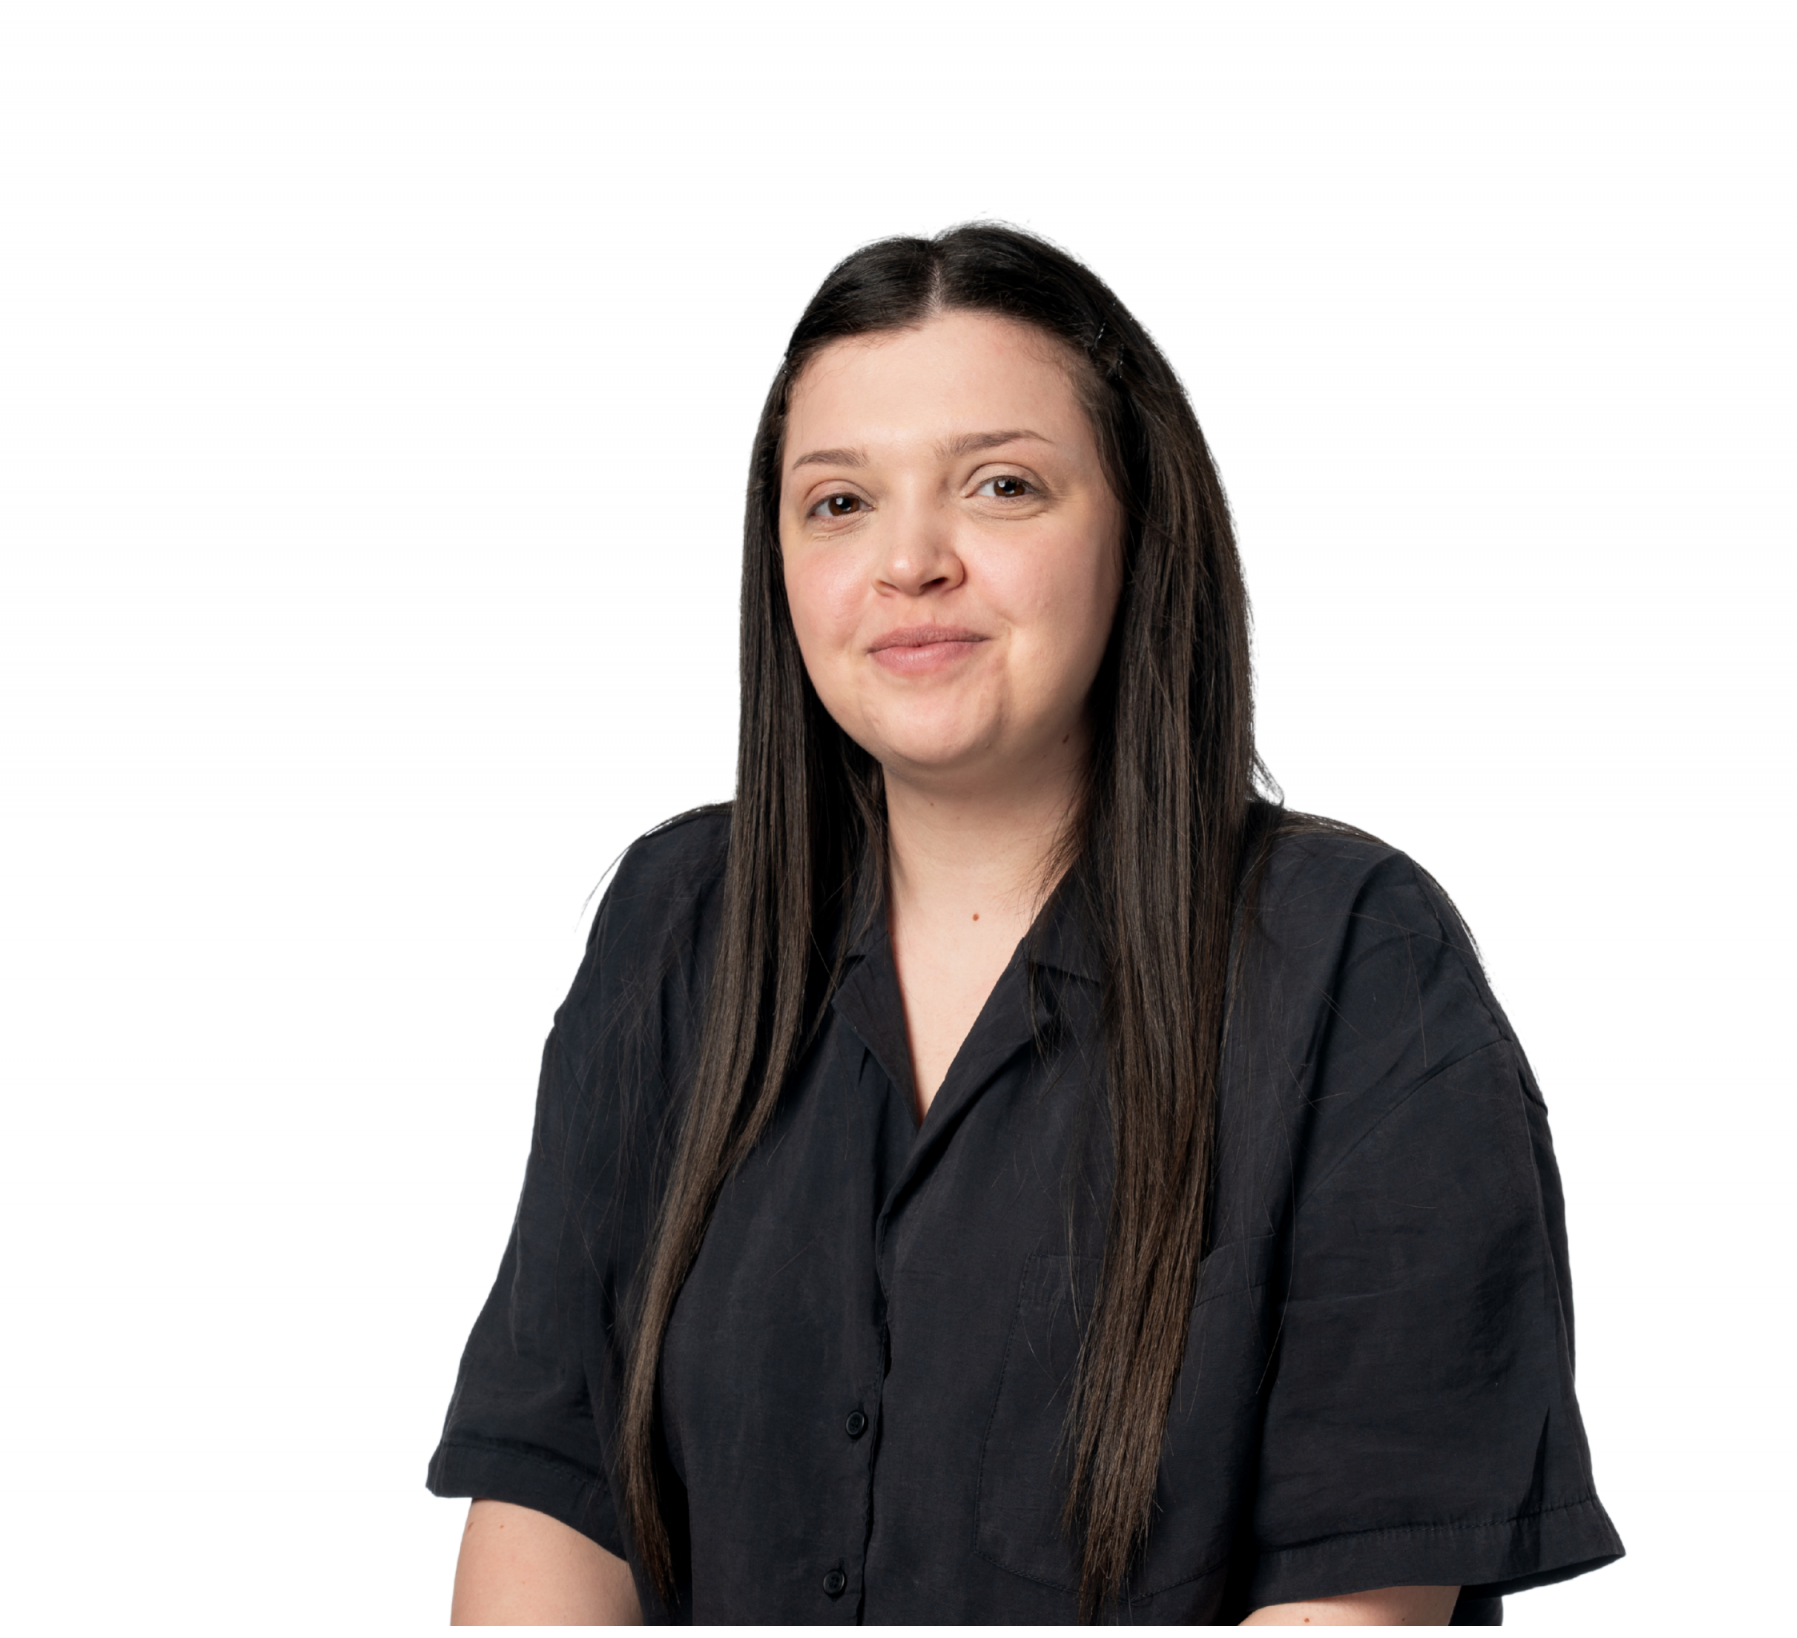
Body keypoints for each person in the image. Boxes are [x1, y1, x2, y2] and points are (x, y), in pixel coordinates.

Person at [426, 224, 1624, 1625]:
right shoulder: (675, 924)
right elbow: (556, 1500)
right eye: (838, 502)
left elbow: (1361, 1598)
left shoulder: (1354, 965)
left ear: (1136, 527)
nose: (909, 561)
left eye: (1001, 485)